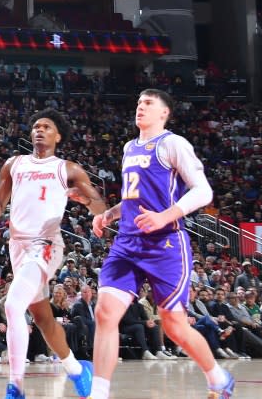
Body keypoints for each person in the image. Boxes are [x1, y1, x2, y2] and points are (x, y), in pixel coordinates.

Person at [90, 89, 234, 399]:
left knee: (174, 326)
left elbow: (203, 192)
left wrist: (165, 216)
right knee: (104, 313)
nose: (140, 107)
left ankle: (218, 378)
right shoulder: (129, 147)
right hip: (128, 243)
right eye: (138, 102)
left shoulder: (173, 143)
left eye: (148, 104)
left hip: (165, 244)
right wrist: (110, 214)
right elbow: (134, 196)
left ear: (164, 113)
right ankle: (98, 393)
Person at [0, 109, 101, 399]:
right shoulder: (15, 164)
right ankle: (76, 369)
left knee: (12, 306)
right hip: (17, 245)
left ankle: (16, 386)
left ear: (57, 136)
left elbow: (99, 206)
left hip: (46, 244)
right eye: (36, 125)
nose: (39, 129)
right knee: (43, 317)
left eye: (46, 126)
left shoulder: (68, 169)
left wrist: (86, 201)